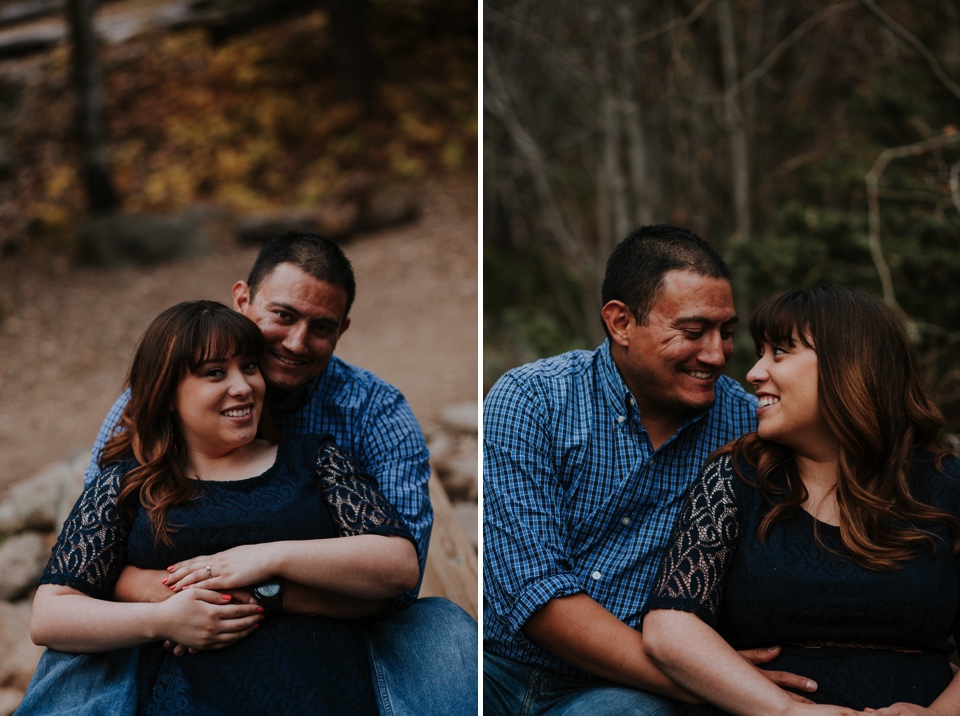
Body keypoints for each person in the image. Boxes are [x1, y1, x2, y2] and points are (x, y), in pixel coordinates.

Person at [17, 231, 477, 716]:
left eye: (321, 327)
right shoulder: (137, 452)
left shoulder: (352, 430)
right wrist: (174, 609)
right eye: (283, 315)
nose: (296, 343)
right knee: (80, 656)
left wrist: (262, 573)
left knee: (441, 627)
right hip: (177, 659)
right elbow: (85, 578)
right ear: (243, 300)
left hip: (322, 657)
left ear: (342, 329)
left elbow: (397, 582)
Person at [483, 224, 816, 715]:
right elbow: (536, 594)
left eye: (726, 332)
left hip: (622, 694)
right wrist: (704, 682)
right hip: (499, 668)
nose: (718, 354)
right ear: (620, 323)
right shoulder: (533, 400)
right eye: (693, 331)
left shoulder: (748, 425)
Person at [642, 285, 960, 714]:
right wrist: (787, 710)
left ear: (849, 365)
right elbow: (671, 628)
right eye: (761, 352)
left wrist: (939, 715)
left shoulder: (945, 485)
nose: (754, 373)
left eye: (780, 352)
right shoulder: (737, 478)